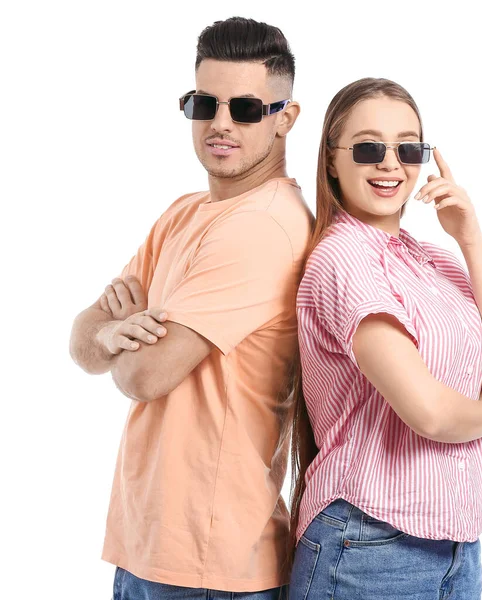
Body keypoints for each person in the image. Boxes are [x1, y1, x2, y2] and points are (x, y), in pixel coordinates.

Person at [69, 17, 312, 600]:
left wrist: (123, 342)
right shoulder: (183, 212)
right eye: (205, 103)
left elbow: (144, 374)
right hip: (146, 545)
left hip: (212, 563)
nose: (221, 124)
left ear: (286, 117)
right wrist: (108, 336)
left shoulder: (264, 226)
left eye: (247, 109)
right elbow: (82, 338)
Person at [287, 78, 482, 600]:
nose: (390, 163)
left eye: (408, 147)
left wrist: (469, 237)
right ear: (332, 160)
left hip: (457, 546)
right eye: (370, 147)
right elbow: (431, 413)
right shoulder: (342, 259)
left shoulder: (432, 259)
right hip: (367, 543)